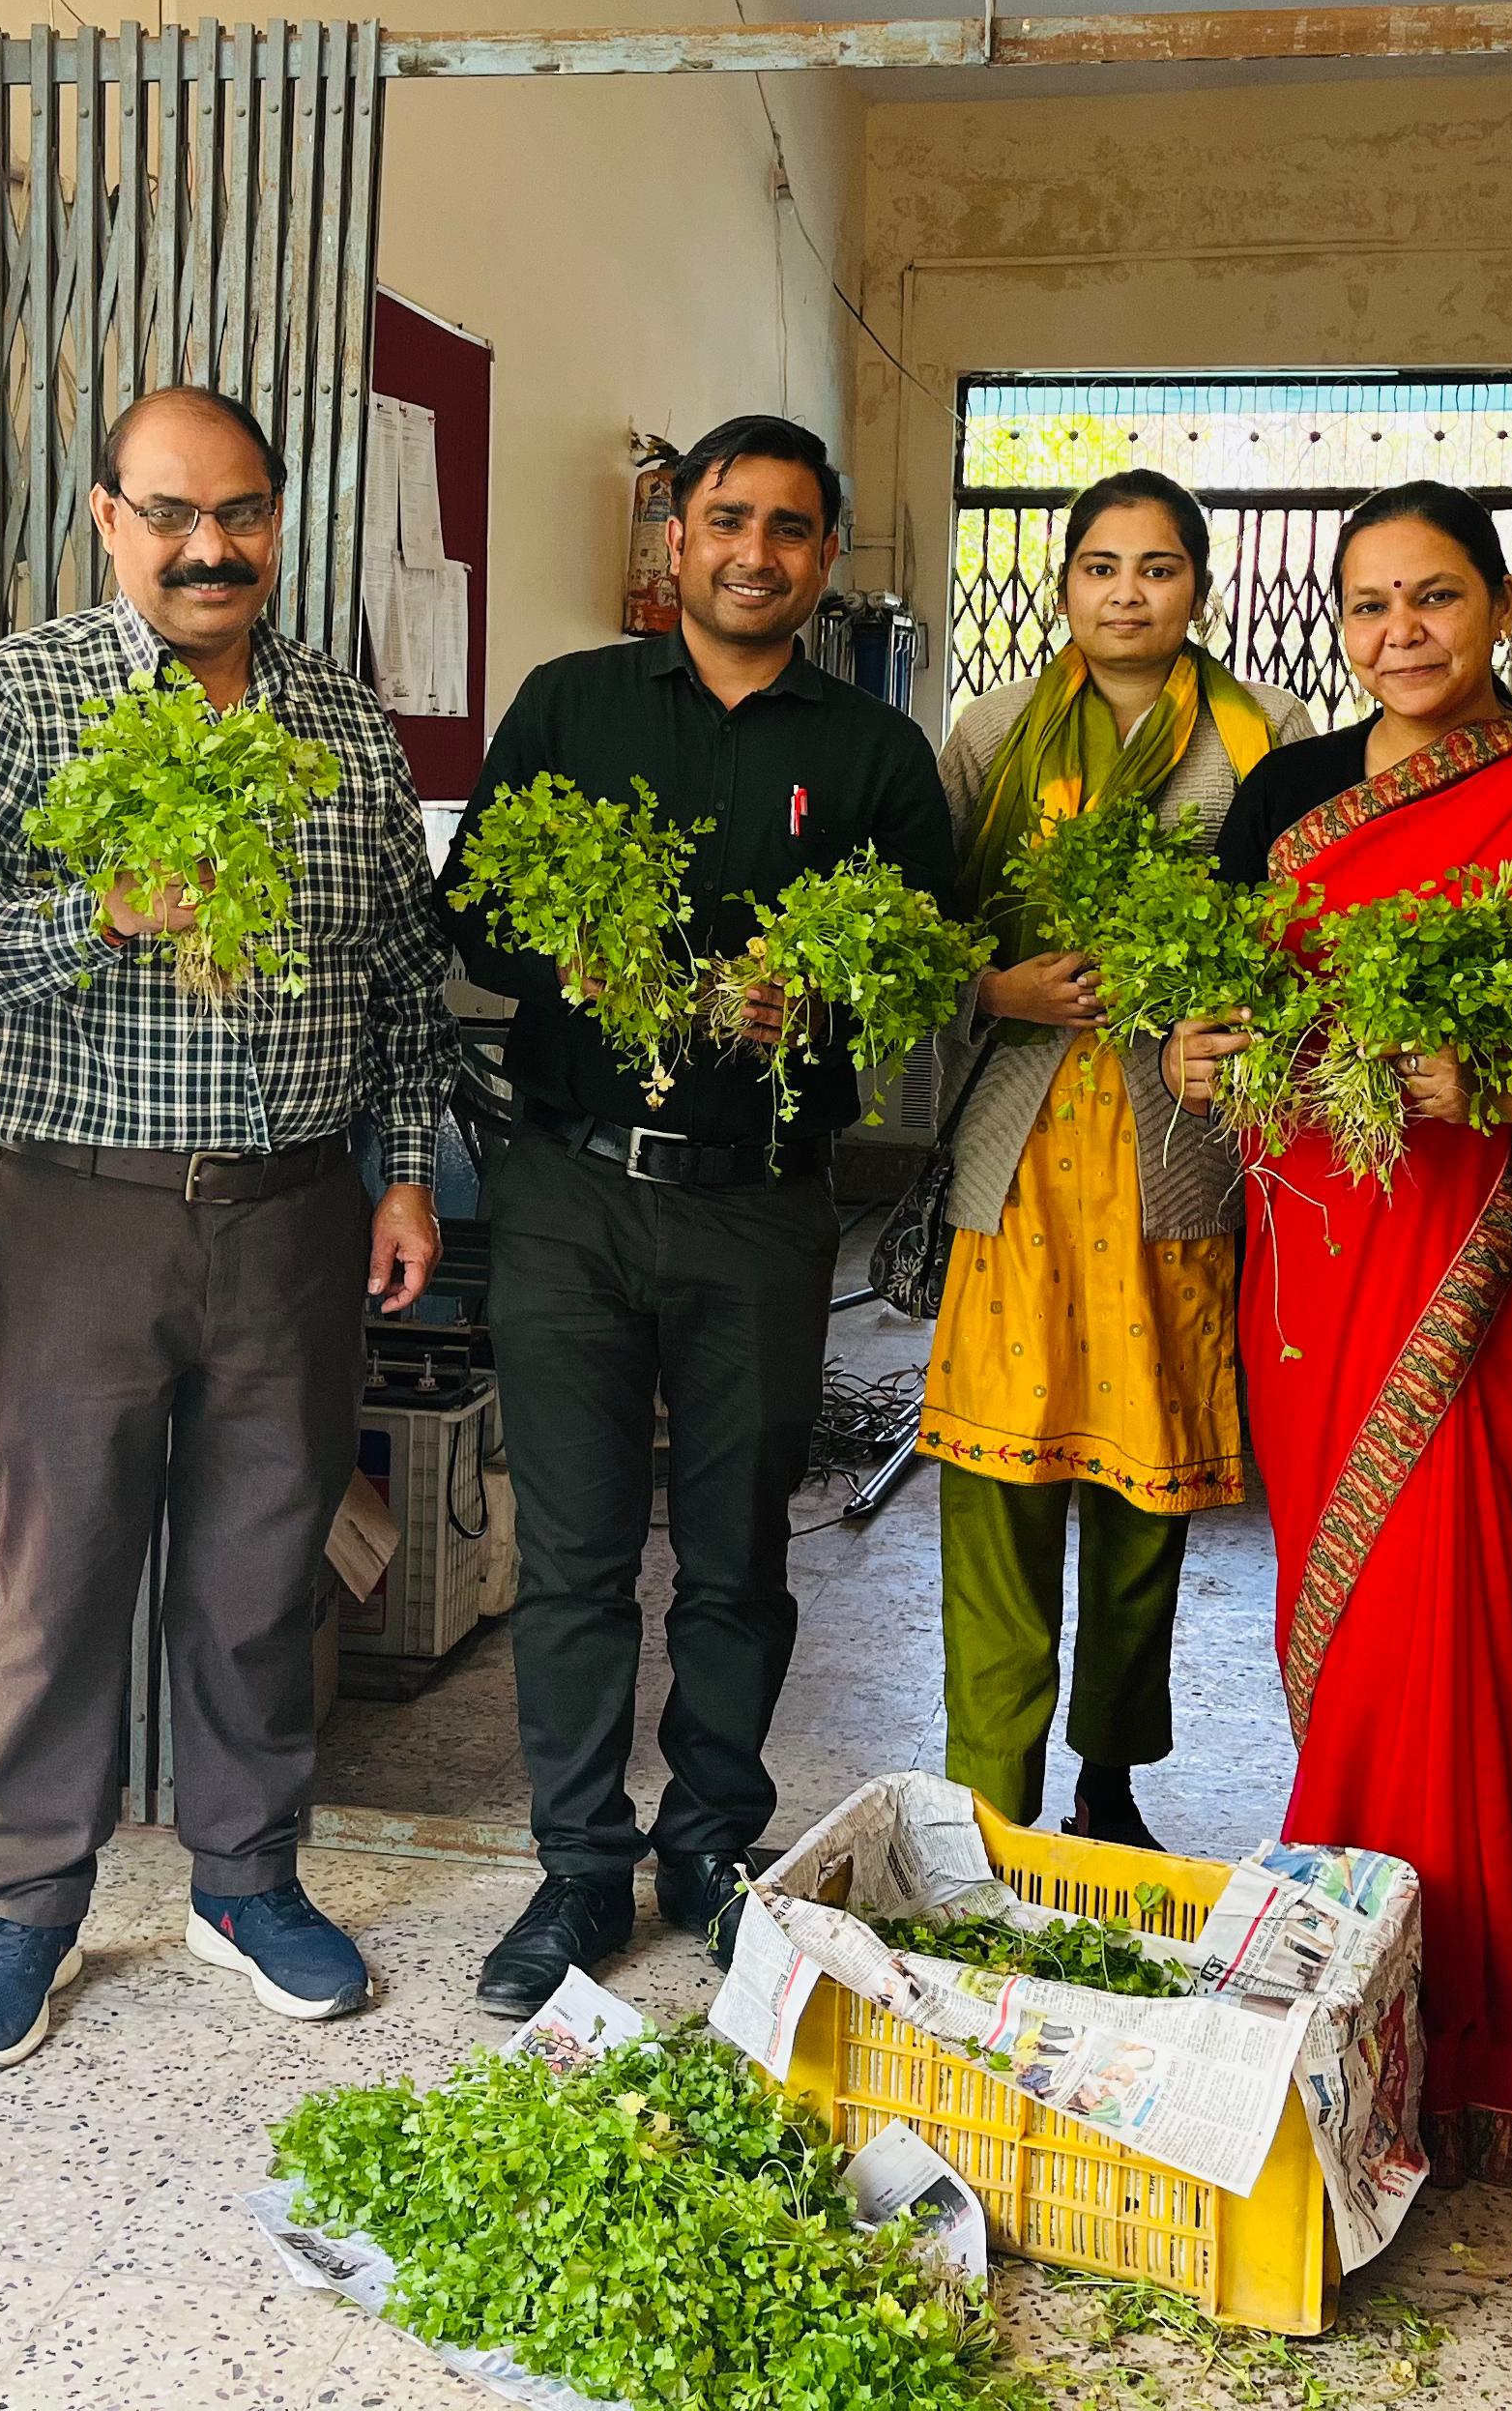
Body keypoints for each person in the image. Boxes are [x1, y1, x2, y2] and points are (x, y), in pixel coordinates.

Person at [0, 384, 457, 2067]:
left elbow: (399, 973)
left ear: (281, 523)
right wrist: (113, 911)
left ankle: (245, 1878)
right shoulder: (24, 694)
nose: (209, 547)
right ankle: (29, 1906)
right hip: (70, 1206)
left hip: (292, 1211)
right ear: (105, 519)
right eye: (170, 514)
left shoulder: (345, 723)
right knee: (57, 1571)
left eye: (240, 514)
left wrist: (409, 1164)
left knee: (260, 1565)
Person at [1170, 480, 1512, 2197]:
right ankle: (1361, 2004)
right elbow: (1252, 1027)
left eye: (1437, 596)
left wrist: (1508, 1086)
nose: (1403, 633)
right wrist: (1201, 1059)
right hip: (1326, 1263)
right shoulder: (1298, 805)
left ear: (1501, 598)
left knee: (1498, 1624)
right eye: (1369, 605)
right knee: (1358, 1623)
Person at [448, 415, 958, 2019]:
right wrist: (556, 960)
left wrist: (818, 990)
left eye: (792, 528)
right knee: (583, 1551)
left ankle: (714, 1849)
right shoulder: (570, 703)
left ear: (823, 558)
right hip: (569, 1192)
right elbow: (472, 904)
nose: (755, 552)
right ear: (674, 538)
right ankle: (581, 1868)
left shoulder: (875, 753)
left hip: (759, 1206)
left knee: (739, 1549)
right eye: (727, 519)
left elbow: (930, 955)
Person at [916, 468, 1310, 1847]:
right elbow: (919, 927)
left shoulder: (1268, 740)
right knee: (999, 1486)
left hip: (1177, 1155)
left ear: (1198, 586)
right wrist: (999, 989)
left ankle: (1110, 1777)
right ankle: (989, 1798)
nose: (1127, 592)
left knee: (1150, 1499)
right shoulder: (996, 731)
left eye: (1156, 567)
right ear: (1064, 585)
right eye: (1100, 565)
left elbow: (1299, 938)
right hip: (1017, 1154)